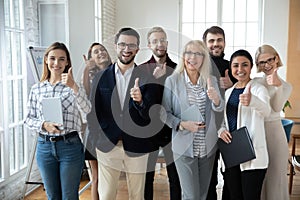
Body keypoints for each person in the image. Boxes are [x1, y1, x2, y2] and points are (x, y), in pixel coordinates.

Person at [88, 27, 159, 200]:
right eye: (122, 44)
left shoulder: (147, 77)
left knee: (137, 196)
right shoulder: (100, 77)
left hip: (138, 147)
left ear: (137, 49)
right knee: (106, 196)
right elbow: (93, 113)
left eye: (131, 45)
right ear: (115, 46)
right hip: (107, 146)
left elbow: (152, 117)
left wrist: (141, 102)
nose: (126, 49)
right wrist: (98, 138)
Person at [24, 42, 91, 200]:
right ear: (46, 60)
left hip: (70, 147)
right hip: (44, 147)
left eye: (62, 59)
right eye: (53, 58)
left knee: (69, 196)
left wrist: (73, 86)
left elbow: (87, 110)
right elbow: (28, 119)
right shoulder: (37, 88)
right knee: (52, 196)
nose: (57, 63)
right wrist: (43, 125)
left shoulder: (75, 87)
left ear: (67, 62)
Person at [161, 40, 224, 200]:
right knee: (191, 195)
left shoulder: (210, 80)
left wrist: (216, 100)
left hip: (207, 145)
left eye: (198, 54)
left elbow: (219, 109)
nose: (192, 57)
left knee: (203, 194)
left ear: (204, 58)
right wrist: (182, 124)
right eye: (189, 53)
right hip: (183, 146)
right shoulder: (172, 81)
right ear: (183, 57)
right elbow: (164, 113)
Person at [218, 49, 271, 200]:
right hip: (232, 154)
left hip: (252, 158)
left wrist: (253, 101)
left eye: (244, 65)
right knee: (234, 196)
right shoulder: (228, 92)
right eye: (236, 65)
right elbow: (222, 120)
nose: (240, 69)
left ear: (251, 67)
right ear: (231, 68)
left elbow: (267, 111)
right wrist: (221, 130)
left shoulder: (259, 89)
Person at [141, 26, 181, 200]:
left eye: (163, 40)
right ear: (149, 45)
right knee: (147, 178)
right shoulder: (141, 70)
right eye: (155, 41)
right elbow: (142, 104)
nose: (160, 44)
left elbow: (179, 100)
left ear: (167, 43)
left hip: (171, 131)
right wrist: (154, 80)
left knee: (175, 177)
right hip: (148, 131)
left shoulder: (178, 69)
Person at [202, 25, 237, 200]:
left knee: (231, 174)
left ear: (224, 42)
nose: (216, 44)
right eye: (211, 41)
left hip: (230, 127)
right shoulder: (198, 66)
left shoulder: (232, 67)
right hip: (206, 130)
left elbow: (243, 91)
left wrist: (232, 85)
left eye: (219, 40)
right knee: (209, 177)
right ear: (205, 44)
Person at [254, 44, 292, 200]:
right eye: (262, 62)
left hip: (275, 136)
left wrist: (277, 86)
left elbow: (276, 108)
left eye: (270, 59)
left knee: (276, 180)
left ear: (277, 58)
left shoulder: (286, 86)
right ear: (258, 65)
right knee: (260, 180)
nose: (267, 65)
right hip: (257, 133)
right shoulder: (256, 82)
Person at [82, 42, 112, 200]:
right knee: (97, 178)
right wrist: (87, 69)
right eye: (96, 51)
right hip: (94, 133)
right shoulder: (90, 76)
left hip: (112, 133)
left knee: (109, 180)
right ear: (91, 58)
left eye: (102, 50)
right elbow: (86, 97)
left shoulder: (116, 72)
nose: (100, 53)